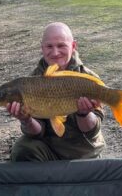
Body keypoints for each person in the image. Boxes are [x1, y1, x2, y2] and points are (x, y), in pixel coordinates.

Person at [6, 22, 105, 161]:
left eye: (61, 45)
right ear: (42, 47)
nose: (55, 52)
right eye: (49, 46)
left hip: (84, 152)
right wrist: (26, 119)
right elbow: (37, 133)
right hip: (49, 150)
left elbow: (91, 132)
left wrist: (84, 114)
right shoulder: (32, 81)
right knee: (22, 149)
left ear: (73, 46)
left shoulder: (88, 80)